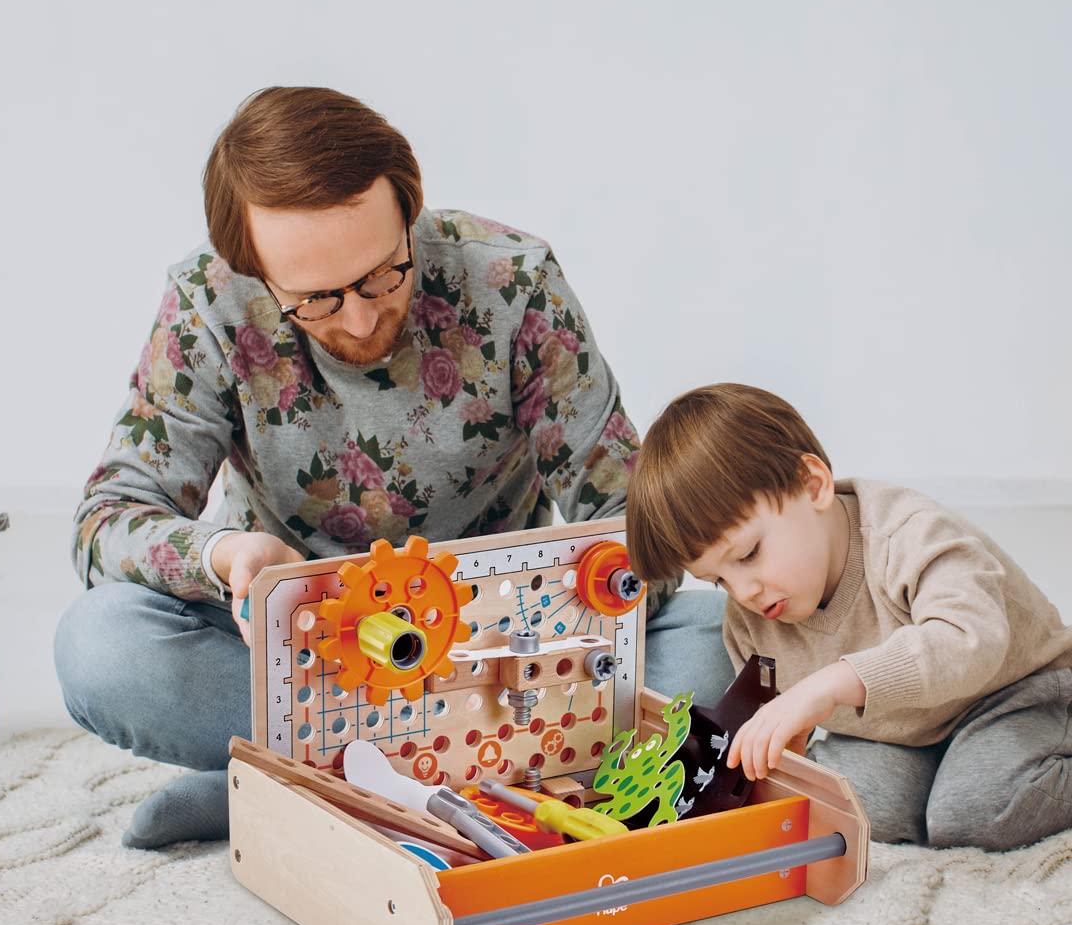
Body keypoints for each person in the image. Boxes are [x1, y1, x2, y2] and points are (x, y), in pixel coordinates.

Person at [55, 87, 735, 849]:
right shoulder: (206, 304)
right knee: (100, 644)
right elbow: (105, 521)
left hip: (502, 660)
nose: (359, 317)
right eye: (315, 299)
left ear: (409, 212)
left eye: (383, 274)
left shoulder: (514, 282)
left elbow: (632, 517)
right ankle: (432, 779)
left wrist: (566, 610)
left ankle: (300, 785)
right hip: (302, 661)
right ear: (253, 271)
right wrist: (222, 555)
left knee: (717, 642)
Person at [625, 382, 1072, 850]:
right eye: (717, 580)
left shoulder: (908, 536)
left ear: (812, 485)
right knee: (843, 806)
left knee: (975, 812)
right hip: (903, 728)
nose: (743, 592)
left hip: (1016, 693)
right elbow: (778, 729)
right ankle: (948, 779)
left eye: (749, 554)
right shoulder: (750, 618)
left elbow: (971, 641)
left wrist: (831, 685)